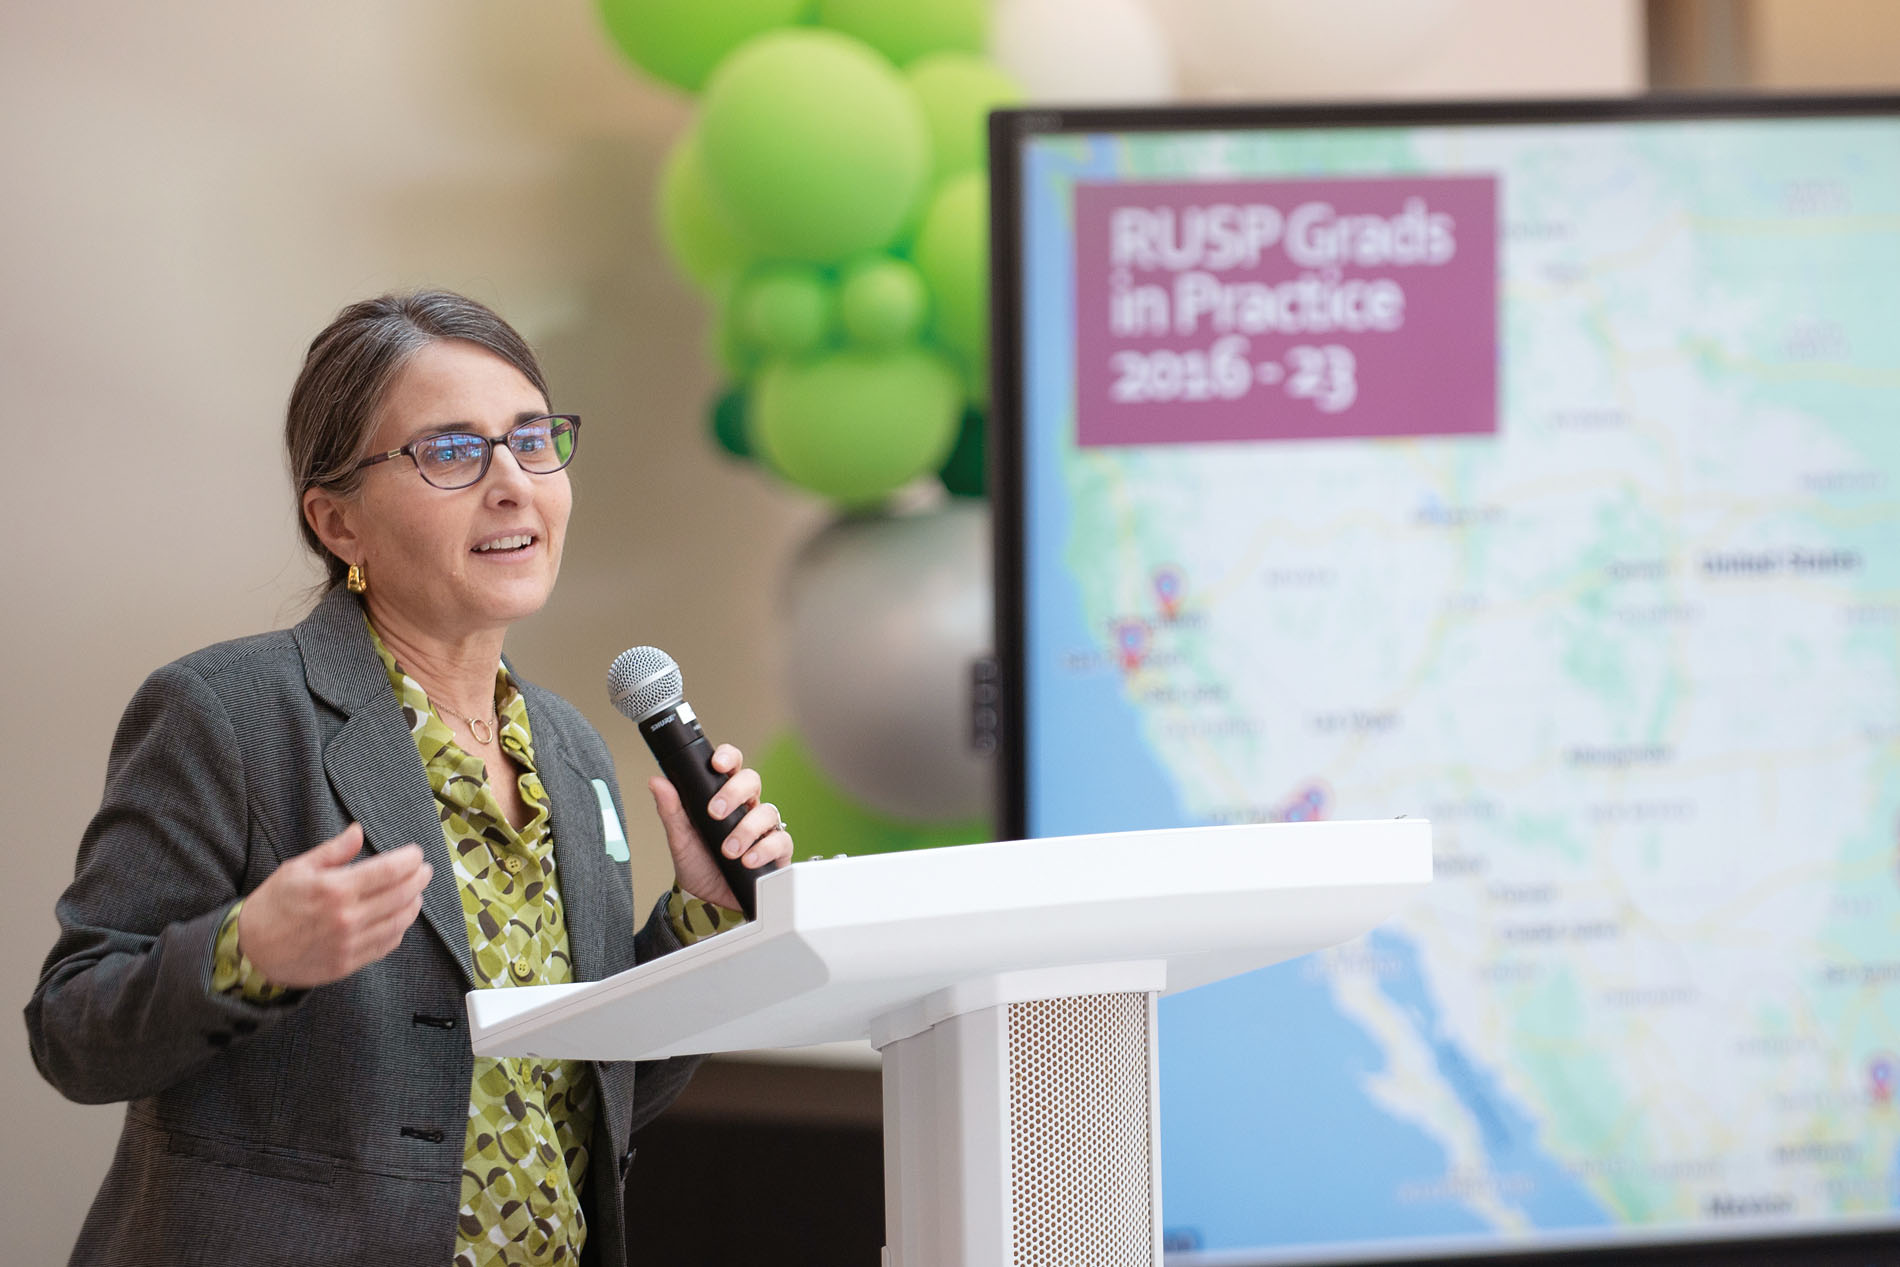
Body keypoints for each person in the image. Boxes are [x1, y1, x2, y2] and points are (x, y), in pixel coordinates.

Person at [25, 290, 792, 1266]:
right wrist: (246, 948)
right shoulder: (230, 712)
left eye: (531, 439)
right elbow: (73, 1033)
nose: (513, 483)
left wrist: (700, 917)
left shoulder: (568, 749)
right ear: (338, 521)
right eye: (452, 452)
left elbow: (584, 1098)